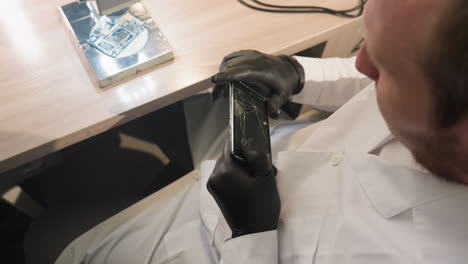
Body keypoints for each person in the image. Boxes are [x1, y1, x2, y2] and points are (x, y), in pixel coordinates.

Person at [56, 0, 468, 263]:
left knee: (65, 251)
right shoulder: (439, 81)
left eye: (387, 69)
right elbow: (396, 61)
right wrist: (301, 71)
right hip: (262, 158)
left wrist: (251, 237)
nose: (360, 64)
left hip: (209, 248)